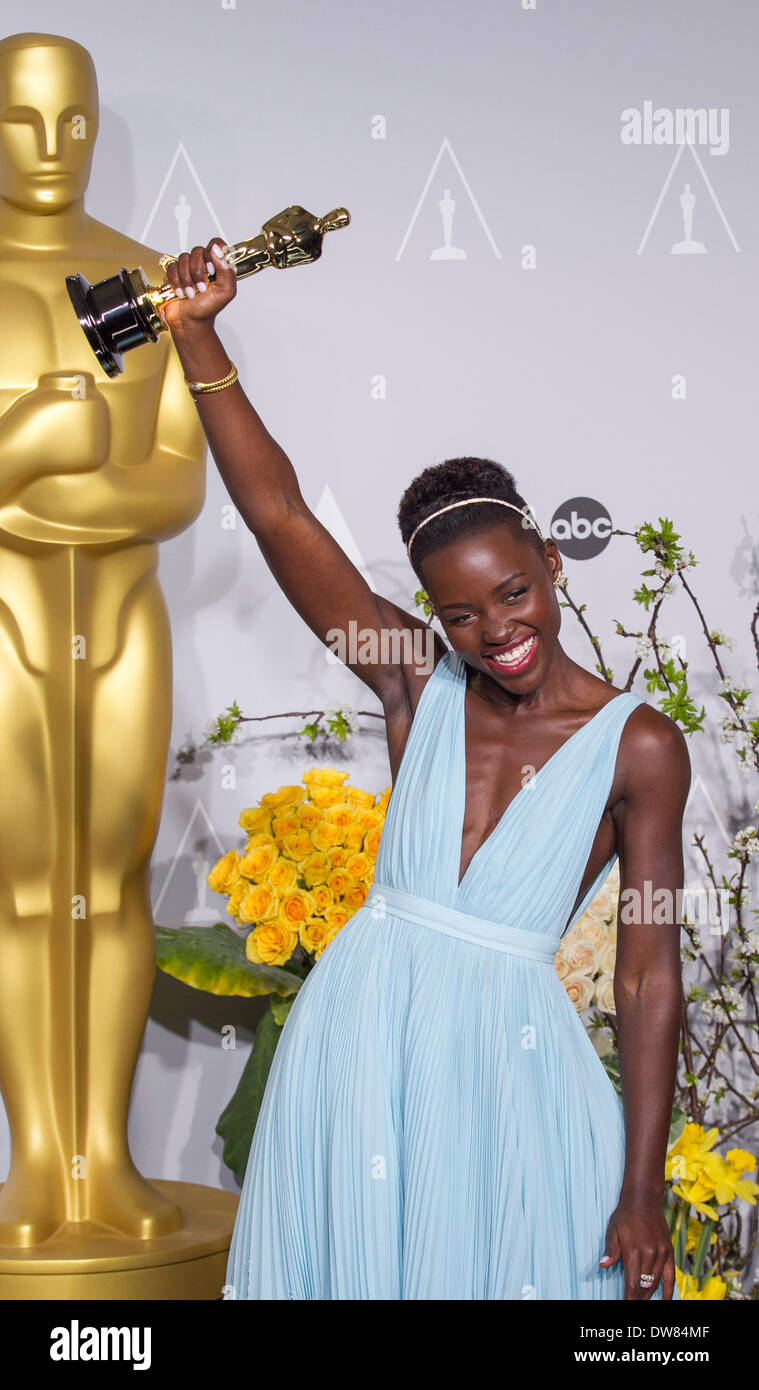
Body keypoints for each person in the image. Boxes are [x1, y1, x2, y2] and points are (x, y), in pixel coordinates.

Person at [161, 239, 689, 1301]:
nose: (494, 631)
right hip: (358, 1045)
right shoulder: (415, 681)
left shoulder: (641, 744)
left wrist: (640, 1190)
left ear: (546, 559)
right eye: (457, 612)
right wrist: (198, 333)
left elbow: (647, 972)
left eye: (512, 593)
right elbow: (280, 518)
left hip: (509, 1067)